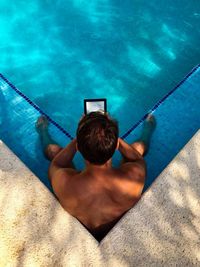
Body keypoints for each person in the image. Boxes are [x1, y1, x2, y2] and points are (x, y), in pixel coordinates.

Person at [36, 112, 156, 241]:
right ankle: (147, 131)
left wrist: (82, 138)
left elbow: (56, 164)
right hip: (116, 230)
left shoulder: (64, 181)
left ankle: (43, 132)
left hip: (82, 227)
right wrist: (113, 138)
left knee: (53, 151)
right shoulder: (135, 174)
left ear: (78, 148)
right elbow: (138, 159)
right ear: (116, 145)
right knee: (137, 148)